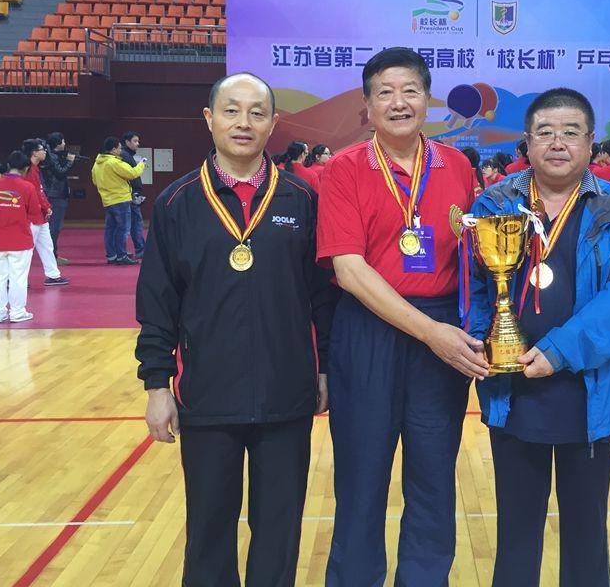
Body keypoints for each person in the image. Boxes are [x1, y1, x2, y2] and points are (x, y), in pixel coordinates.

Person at [136, 72, 338, 587]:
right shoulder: (176, 203)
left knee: (279, 532)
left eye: (256, 112)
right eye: (231, 110)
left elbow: (323, 297)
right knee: (207, 534)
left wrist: (326, 370)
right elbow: (157, 303)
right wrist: (158, 385)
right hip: (206, 396)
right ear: (209, 119)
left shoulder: (301, 198)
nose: (243, 122)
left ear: (273, 123)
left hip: (286, 393)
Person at [467, 88, 610, 587]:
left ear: (590, 143)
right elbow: (476, 287)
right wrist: (480, 339)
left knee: (587, 533)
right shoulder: (495, 203)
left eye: (571, 133)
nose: (557, 143)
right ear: (526, 142)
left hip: (590, 391)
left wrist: (558, 350)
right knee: (516, 531)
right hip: (513, 390)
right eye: (545, 132)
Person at [317, 47, 480, 586]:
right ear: (366, 106)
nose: (398, 102)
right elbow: (349, 270)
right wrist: (431, 333)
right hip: (369, 328)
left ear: (428, 100)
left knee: (434, 478)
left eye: (410, 90)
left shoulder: (457, 166)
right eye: (384, 92)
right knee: (362, 479)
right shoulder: (343, 169)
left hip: (441, 330)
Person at [0, 153, 42, 323]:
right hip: (20, 240)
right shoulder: (28, 187)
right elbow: (35, 213)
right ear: (26, 168)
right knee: (18, 277)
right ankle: (17, 312)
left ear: (8, 165)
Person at [21, 139, 68, 286]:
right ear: (34, 153)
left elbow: (40, 191)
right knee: (26, 249)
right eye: (42, 149)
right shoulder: (28, 170)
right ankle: (18, 279)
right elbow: (34, 193)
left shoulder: (35, 169)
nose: (45, 151)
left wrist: (46, 207)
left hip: (40, 217)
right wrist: (45, 207)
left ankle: (53, 275)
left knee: (47, 246)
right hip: (31, 217)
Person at [92, 138, 146, 266]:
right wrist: (142, 163)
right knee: (123, 229)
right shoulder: (114, 162)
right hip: (121, 199)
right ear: (113, 149)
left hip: (108, 201)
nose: (121, 151)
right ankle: (122, 256)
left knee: (110, 229)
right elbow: (132, 173)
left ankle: (112, 256)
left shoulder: (97, 164)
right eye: (119, 148)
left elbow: (95, 181)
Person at [41, 132, 76, 265]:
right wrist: (70, 162)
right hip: (56, 195)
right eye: (63, 141)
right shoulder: (52, 157)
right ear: (57, 144)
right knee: (54, 227)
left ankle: (52, 256)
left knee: (54, 227)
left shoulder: (52, 155)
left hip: (55, 194)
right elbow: (60, 173)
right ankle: (52, 257)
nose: (65, 143)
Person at [120, 132, 148, 260]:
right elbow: (131, 175)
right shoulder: (125, 156)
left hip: (128, 193)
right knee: (136, 222)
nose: (138, 144)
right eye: (135, 141)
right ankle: (140, 249)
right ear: (127, 142)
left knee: (131, 223)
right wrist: (135, 193)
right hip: (130, 194)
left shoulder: (126, 155)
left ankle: (122, 252)